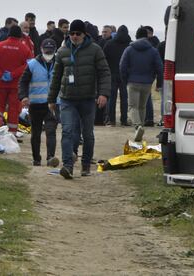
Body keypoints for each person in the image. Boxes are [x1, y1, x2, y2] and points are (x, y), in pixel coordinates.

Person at [48, 19, 111, 179]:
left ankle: (85, 165)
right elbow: (56, 77)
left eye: (78, 33)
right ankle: (68, 166)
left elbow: (104, 72)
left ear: (84, 34)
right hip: (67, 99)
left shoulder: (95, 50)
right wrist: (51, 99)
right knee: (67, 131)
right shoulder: (62, 51)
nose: (75, 36)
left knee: (87, 134)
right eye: (72, 33)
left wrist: (103, 94)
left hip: (88, 99)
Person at [19, 39, 59, 167]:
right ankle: (36, 159)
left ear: (55, 50)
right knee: (35, 133)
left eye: (51, 51)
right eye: (46, 51)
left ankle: (50, 158)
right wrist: (23, 97)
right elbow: (23, 82)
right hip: (35, 104)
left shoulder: (59, 63)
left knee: (51, 131)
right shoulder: (32, 64)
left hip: (52, 104)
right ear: (41, 50)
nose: (49, 53)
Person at [120, 27, 163, 142]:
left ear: (136, 36)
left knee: (132, 106)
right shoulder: (153, 50)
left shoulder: (129, 49)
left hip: (132, 81)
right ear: (147, 36)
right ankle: (141, 126)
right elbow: (159, 67)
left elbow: (122, 66)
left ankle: (137, 126)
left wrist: (125, 80)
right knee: (142, 106)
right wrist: (158, 82)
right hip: (147, 82)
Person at [0, 25, 33, 134]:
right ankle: (12, 135)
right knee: (14, 109)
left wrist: (1, 74)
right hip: (16, 85)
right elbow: (29, 65)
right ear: (20, 36)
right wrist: (13, 74)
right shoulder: (25, 49)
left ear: (8, 34)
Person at [103, 25, 131, 126]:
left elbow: (104, 58)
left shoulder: (109, 44)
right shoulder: (129, 44)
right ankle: (124, 120)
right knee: (124, 98)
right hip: (124, 75)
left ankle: (111, 120)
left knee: (112, 98)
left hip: (112, 73)